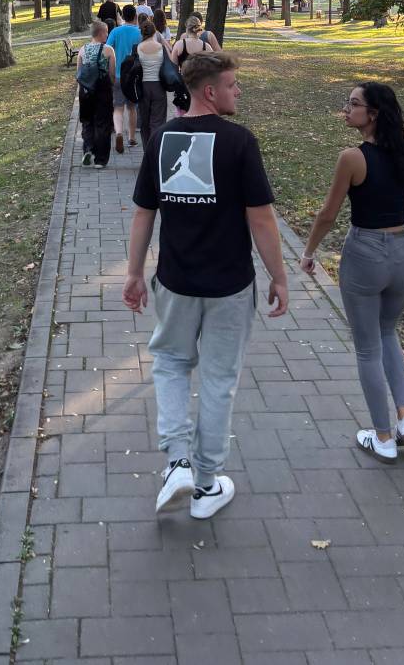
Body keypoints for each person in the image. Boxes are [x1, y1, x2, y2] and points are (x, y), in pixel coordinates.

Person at [123, 52, 289, 518]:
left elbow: (143, 214)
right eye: (233, 85)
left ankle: (176, 461)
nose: (239, 92)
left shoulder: (162, 138)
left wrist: (135, 274)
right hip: (230, 287)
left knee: (171, 364)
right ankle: (206, 483)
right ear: (210, 91)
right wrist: (279, 275)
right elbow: (261, 218)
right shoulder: (239, 142)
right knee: (218, 381)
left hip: (174, 283)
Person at [300, 81, 404, 463]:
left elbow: (328, 214)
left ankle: (383, 436)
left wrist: (307, 252)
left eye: (353, 104)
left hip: (365, 253)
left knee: (367, 348)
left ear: (373, 114)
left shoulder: (352, 158)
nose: (346, 109)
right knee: (388, 332)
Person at [76, 21, 116, 168]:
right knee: (103, 123)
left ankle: (88, 149)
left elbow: (79, 72)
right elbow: (112, 74)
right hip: (102, 89)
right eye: (106, 32)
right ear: (100, 33)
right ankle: (100, 159)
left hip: (86, 90)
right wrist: (111, 87)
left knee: (87, 121)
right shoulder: (108, 50)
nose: (107, 34)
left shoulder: (82, 50)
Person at [106, 4, 142, 153]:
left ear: (122, 16)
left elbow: (107, 49)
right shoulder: (140, 32)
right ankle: (132, 138)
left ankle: (119, 132)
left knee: (118, 108)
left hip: (118, 76)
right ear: (135, 17)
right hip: (133, 77)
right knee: (132, 108)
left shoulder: (115, 31)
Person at [136, 17, 168, 146]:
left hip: (143, 87)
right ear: (155, 32)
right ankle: (155, 149)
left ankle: (147, 150)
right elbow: (169, 62)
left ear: (142, 33)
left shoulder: (138, 47)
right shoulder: (160, 47)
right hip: (159, 86)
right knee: (158, 121)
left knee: (145, 121)